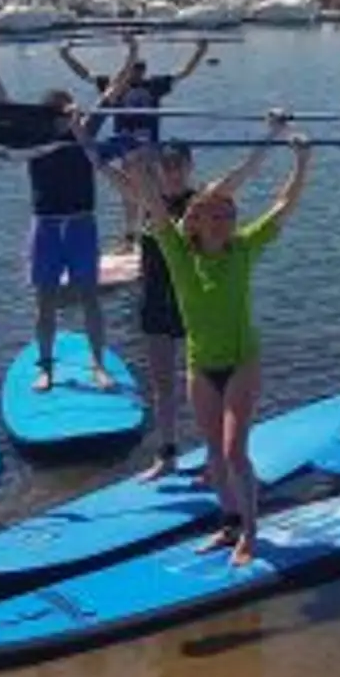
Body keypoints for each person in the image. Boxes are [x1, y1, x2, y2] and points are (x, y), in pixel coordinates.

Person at [105, 115, 313, 566]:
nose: (224, 221)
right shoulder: (178, 254)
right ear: (195, 223)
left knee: (236, 451)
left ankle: (251, 536)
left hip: (242, 362)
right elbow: (154, 207)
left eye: (229, 214)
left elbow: (283, 204)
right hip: (201, 366)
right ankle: (229, 523)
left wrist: (301, 161)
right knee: (214, 456)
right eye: (215, 215)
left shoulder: (244, 247)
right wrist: (140, 166)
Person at [99, 125, 280, 481]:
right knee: (163, 383)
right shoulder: (146, 198)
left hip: (197, 304)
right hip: (155, 299)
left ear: (189, 166)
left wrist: (272, 133)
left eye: (179, 165)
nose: (173, 171)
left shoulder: (205, 202)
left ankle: (221, 457)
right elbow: (102, 166)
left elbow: (245, 170)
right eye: (166, 166)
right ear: (157, 169)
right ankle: (167, 455)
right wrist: (81, 133)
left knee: (208, 382)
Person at [0, 38, 135, 391]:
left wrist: (132, 51)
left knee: (90, 298)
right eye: (63, 113)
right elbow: (1, 101)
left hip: (81, 224)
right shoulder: (33, 138)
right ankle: (45, 368)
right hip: (45, 228)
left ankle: (98, 365)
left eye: (71, 111)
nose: (70, 117)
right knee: (44, 302)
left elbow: (113, 90)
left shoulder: (86, 131)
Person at [60, 34, 211, 254]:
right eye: (133, 72)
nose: (136, 76)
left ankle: (156, 232)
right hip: (125, 149)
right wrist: (67, 55)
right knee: (129, 196)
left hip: (149, 150)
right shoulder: (114, 84)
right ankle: (131, 238)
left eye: (139, 72)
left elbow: (184, 73)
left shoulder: (154, 86)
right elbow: (84, 74)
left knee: (152, 191)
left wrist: (200, 51)